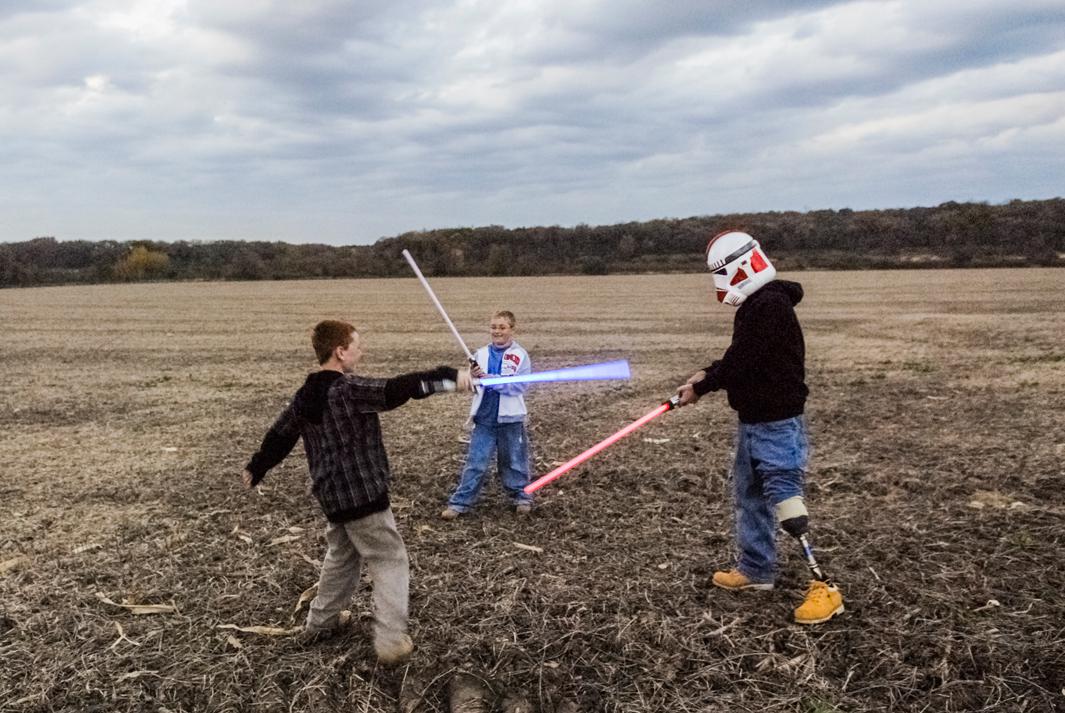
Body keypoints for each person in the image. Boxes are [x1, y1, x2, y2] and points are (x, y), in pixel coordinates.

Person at [241, 319, 472, 664]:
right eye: (357, 345)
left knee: (341, 558)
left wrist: (256, 466)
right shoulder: (347, 389)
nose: (361, 351)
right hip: (364, 497)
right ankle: (391, 641)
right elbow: (400, 388)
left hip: (332, 498)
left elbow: (280, 435)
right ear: (340, 351)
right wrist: (452, 378)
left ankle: (321, 623)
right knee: (390, 559)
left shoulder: (304, 397)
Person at [674, 230, 844, 625]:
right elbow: (740, 358)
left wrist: (704, 384)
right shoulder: (757, 306)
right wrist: (708, 374)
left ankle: (826, 587)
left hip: (777, 424)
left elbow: (743, 361)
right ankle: (756, 570)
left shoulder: (769, 306)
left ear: (736, 269)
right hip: (753, 422)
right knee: (749, 497)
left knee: (786, 502)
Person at [440, 310, 534, 519]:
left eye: (502, 327)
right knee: (476, 463)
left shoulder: (520, 356)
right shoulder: (480, 355)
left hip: (511, 419)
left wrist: (490, 378)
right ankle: (459, 503)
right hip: (484, 419)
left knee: (513, 462)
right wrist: (472, 378)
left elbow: (518, 387)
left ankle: (521, 497)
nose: (497, 331)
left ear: (512, 329)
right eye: (494, 327)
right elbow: (474, 387)